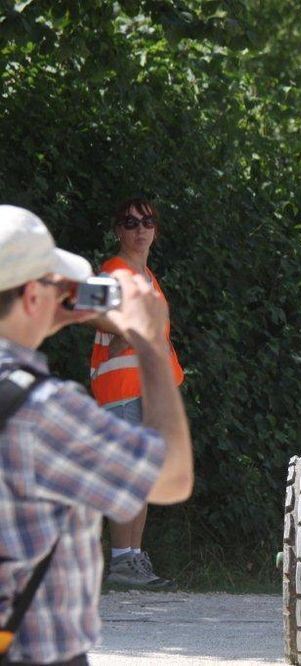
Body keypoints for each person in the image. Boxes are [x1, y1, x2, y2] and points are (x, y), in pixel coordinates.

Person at [0, 205, 193, 665]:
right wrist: (149, 344)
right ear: (31, 299)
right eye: (52, 285)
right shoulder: (42, 411)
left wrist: (49, 316)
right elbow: (171, 477)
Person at [89, 198, 185, 590]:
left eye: (147, 222)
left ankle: (132, 559)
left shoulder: (147, 277)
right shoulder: (113, 271)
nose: (140, 229)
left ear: (155, 230)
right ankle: (120, 562)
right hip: (121, 389)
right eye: (130, 222)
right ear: (118, 231)